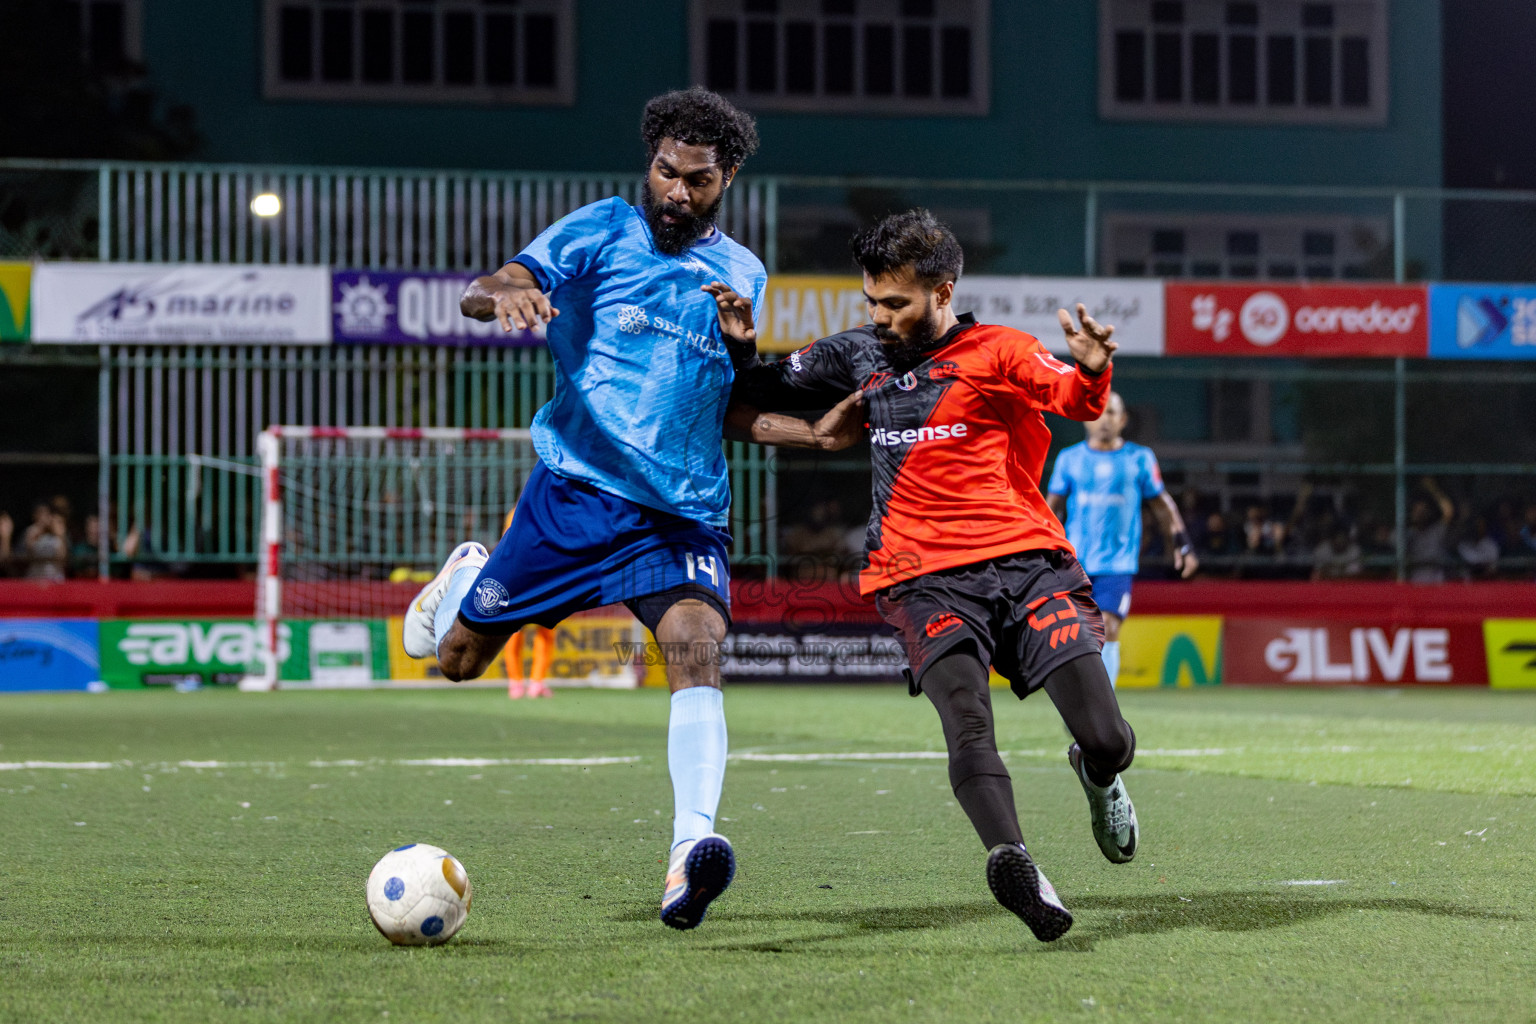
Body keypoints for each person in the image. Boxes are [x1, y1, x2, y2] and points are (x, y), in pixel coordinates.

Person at [401, 88, 863, 932]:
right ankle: (468, 575)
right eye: (665, 172)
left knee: (696, 648)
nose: (677, 192)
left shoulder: (744, 274)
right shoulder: (600, 229)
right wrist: (504, 295)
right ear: (649, 162)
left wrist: (812, 433)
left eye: (697, 179)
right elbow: (491, 285)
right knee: (457, 660)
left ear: (727, 178)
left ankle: (690, 852)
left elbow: (725, 404)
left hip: (682, 511)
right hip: (574, 495)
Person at [729, 209, 1138, 943]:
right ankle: (1016, 863)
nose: (879, 317)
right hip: (918, 574)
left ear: (943, 291)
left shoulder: (1002, 350)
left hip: (1027, 564)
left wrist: (1092, 367)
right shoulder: (856, 353)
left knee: (1108, 738)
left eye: (896, 303)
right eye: (871, 301)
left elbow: (1076, 400)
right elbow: (753, 390)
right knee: (966, 718)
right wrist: (741, 349)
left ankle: (1097, 771)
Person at [1044, 391, 1198, 687]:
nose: (1104, 419)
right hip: (1075, 563)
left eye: (1112, 412)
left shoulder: (1139, 458)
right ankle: (1082, 702)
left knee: (1108, 626)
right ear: (1086, 418)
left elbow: (1161, 505)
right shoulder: (1069, 459)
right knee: (1078, 635)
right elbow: (1052, 509)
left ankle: (1104, 707)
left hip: (1117, 565)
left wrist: (1183, 544)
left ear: (1123, 419)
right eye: (1098, 412)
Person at [499, 507, 553, 699]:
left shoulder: (515, 513)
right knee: (540, 631)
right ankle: (532, 683)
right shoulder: (548, 511)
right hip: (539, 578)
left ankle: (520, 684)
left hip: (520, 577)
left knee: (518, 631)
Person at [1406, 476, 1454, 583]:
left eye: (1423, 511)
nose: (1419, 514)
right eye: (1416, 511)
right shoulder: (1409, 534)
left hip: (1436, 583)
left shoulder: (1435, 531)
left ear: (1429, 513)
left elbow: (1448, 512)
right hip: (1417, 584)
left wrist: (1432, 489)